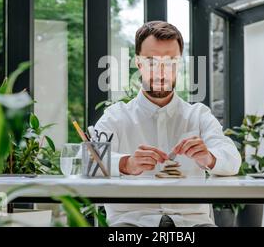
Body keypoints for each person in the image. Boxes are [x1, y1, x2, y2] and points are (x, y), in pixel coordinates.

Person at [95, 20, 241, 227]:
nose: (161, 71)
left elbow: (233, 160)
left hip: (193, 223)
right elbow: (88, 162)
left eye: (170, 62)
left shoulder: (198, 115)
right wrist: (126, 164)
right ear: (138, 64)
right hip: (131, 223)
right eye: (152, 61)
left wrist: (209, 157)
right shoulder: (115, 117)